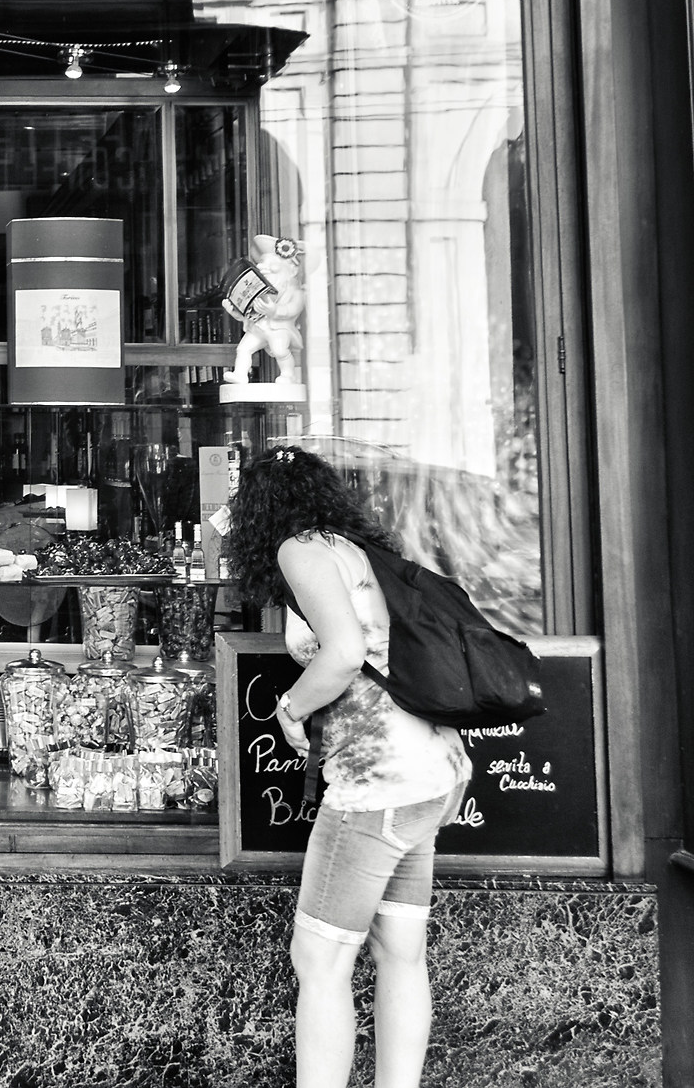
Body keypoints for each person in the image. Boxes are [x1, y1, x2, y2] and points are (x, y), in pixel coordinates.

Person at [222, 444, 472, 1088]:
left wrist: (290, 709)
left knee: (319, 960)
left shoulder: (299, 550)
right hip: (432, 773)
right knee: (400, 952)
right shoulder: (356, 550)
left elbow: (342, 653)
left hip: (376, 785)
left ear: (258, 508)